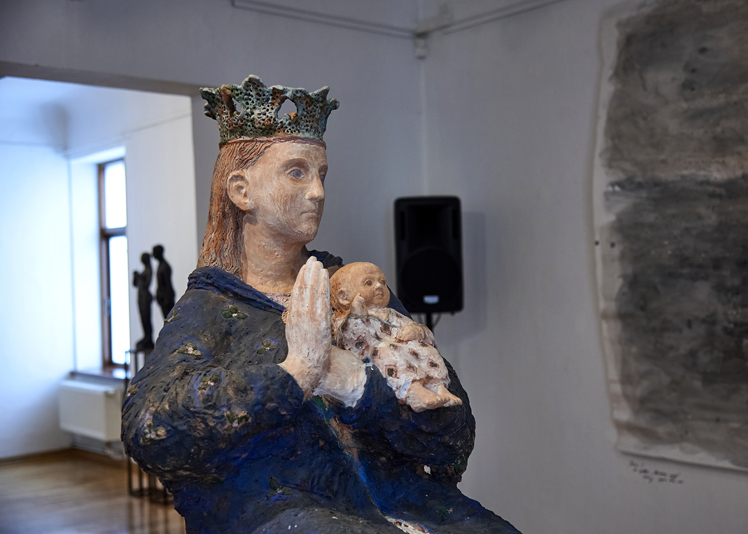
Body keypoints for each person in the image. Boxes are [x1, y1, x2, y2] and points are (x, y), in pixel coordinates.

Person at [122, 76, 519, 534]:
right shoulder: (211, 307)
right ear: (241, 190)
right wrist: (293, 376)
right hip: (281, 512)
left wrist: (359, 387)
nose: (318, 192)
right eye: (297, 172)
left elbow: (454, 434)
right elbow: (149, 426)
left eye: (322, 174)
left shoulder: (353, 290)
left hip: (409, 503)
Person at [329, 262, 462, 412]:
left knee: (427, 350)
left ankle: (438, 386)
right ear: (343, 297)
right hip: (374, 356)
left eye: (382, 282)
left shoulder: (392, 314)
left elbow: (419, 330)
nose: (379, 286)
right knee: (386, 351)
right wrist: (356, 317)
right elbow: (347, 340)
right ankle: (412, 391)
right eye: (369, 283)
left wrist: (418, 331)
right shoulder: (346, 321)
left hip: (404, 351)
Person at [152, 244, 176, 320]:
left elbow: (168, 284)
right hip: (163, 298)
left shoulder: (164, 266)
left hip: (166, 298)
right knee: (166, 320)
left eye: (154, 252)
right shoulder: (160, 265)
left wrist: (167, 298)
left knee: (169, 320)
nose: (153, 254)